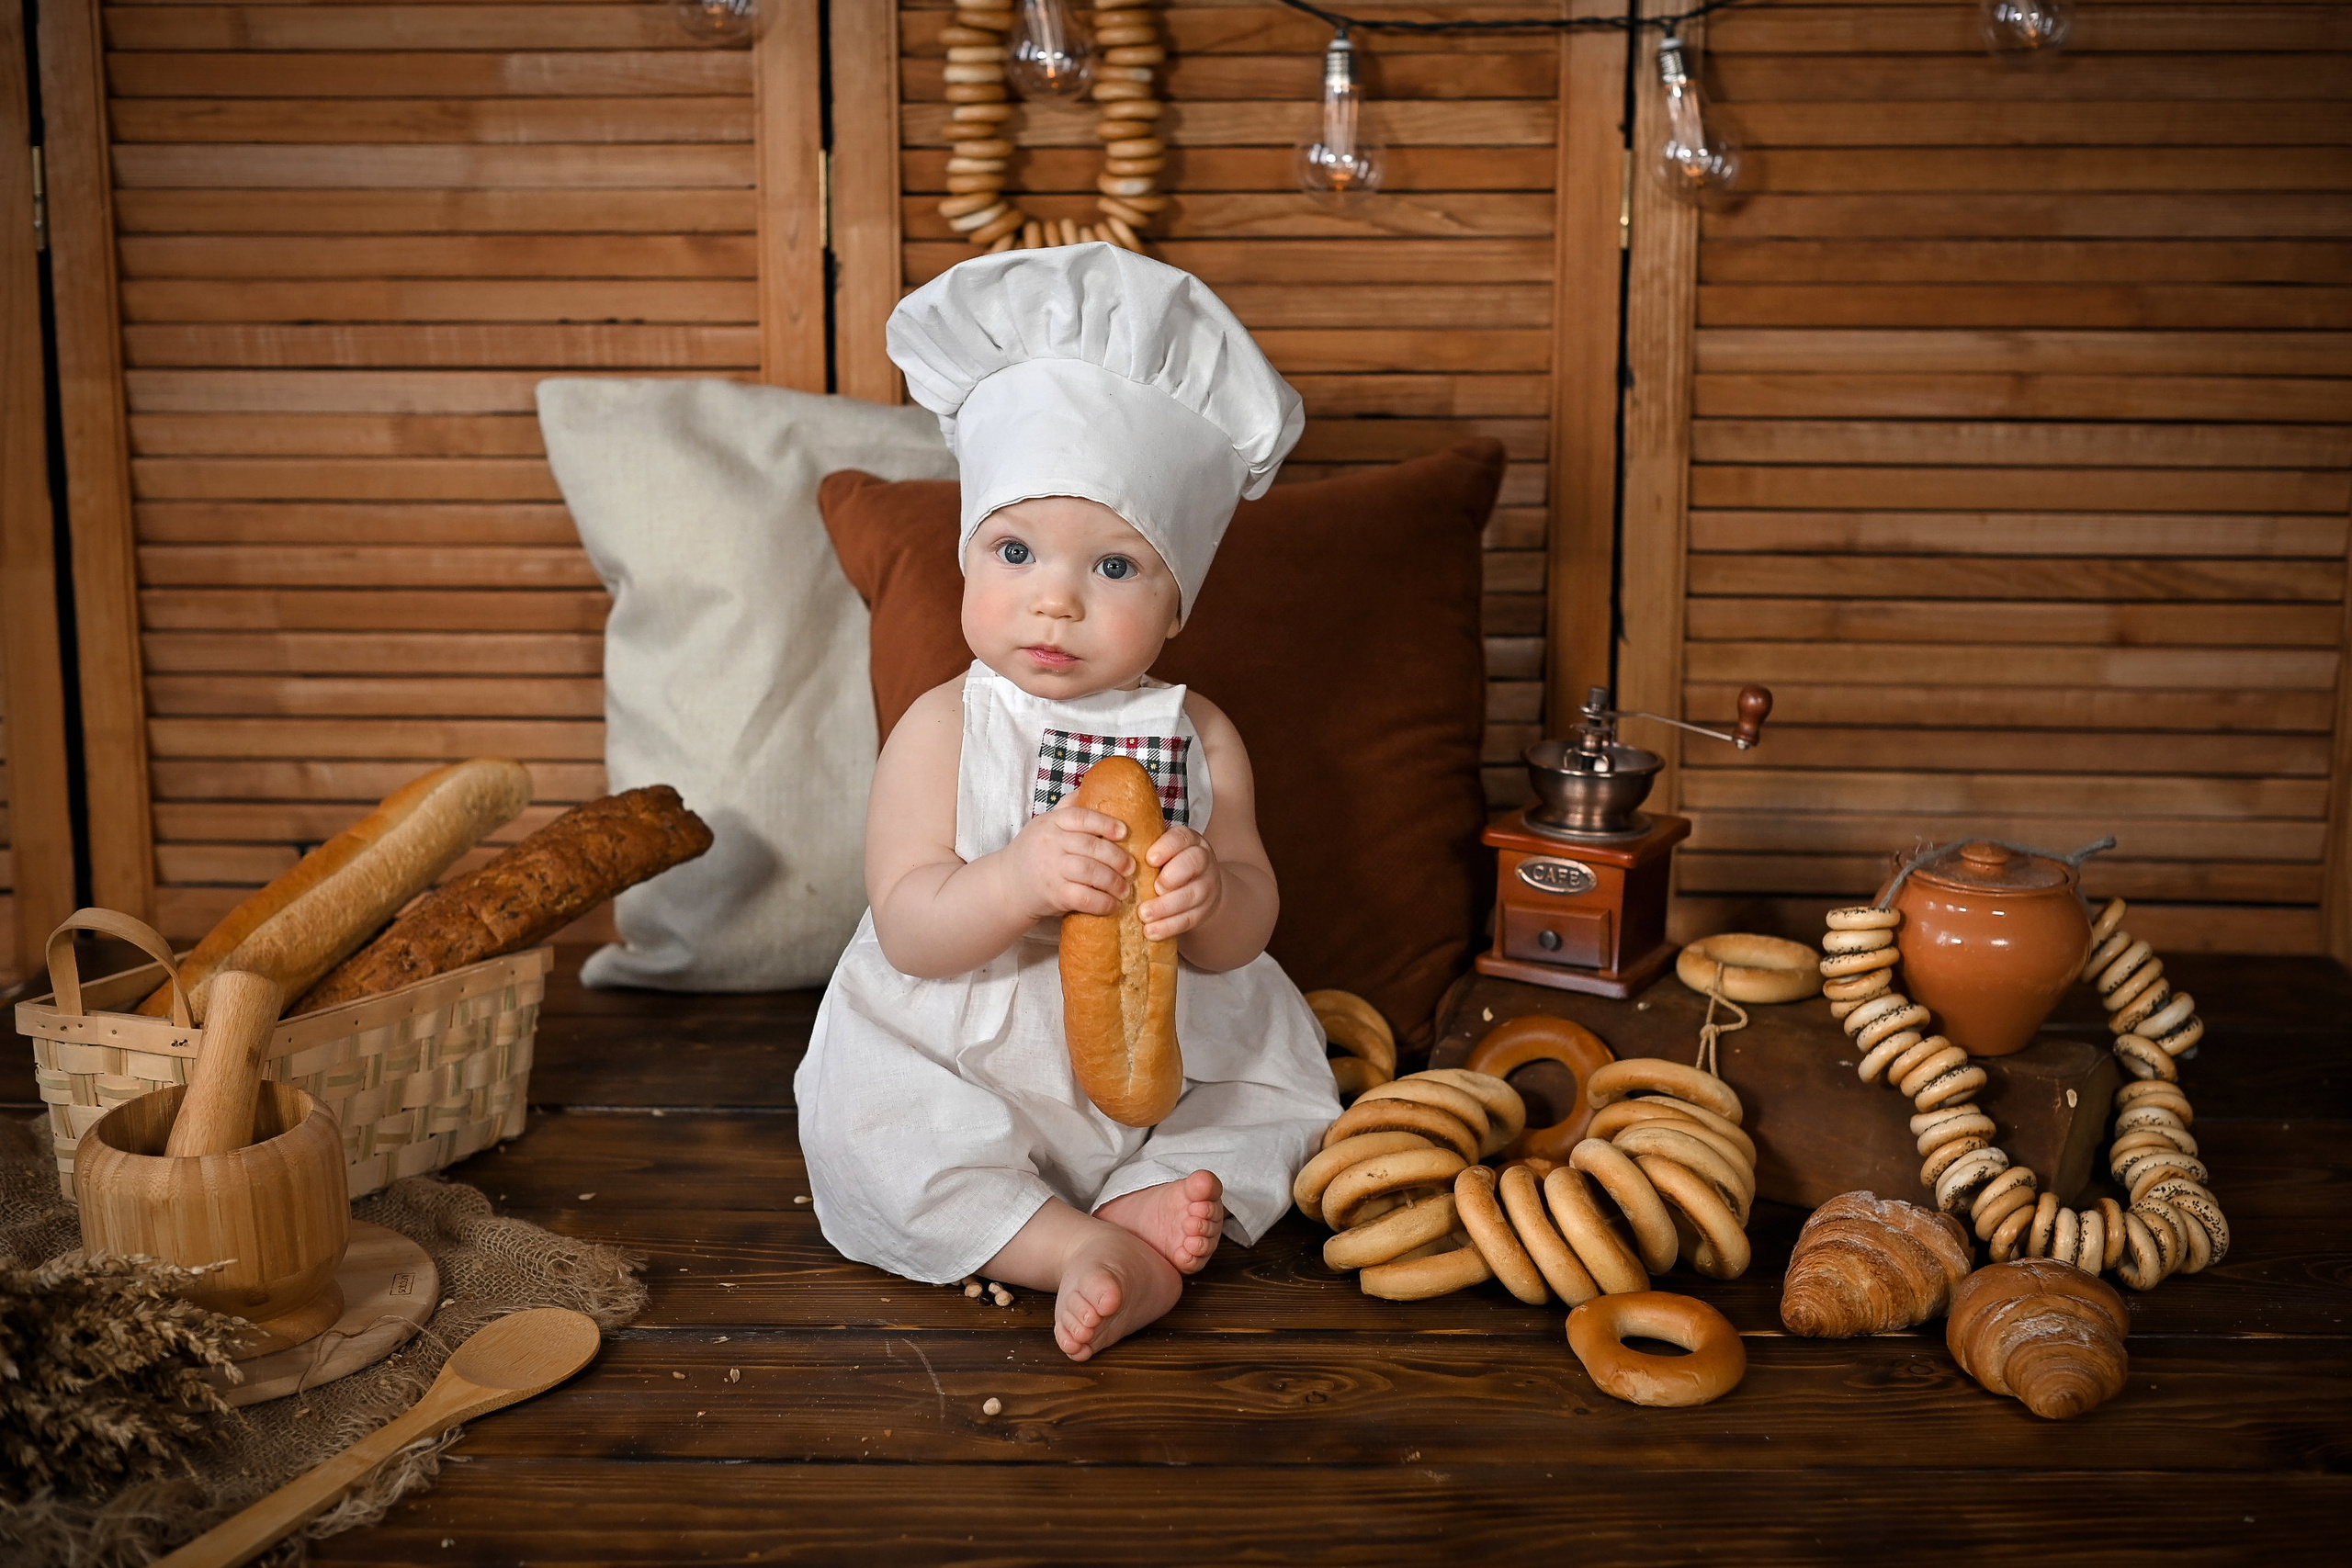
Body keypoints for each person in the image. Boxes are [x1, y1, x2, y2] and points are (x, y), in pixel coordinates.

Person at [795, 243, 1341, 1361]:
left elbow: (1247, 930)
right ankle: (1061, 1247)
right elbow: (909, 923)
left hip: (1169, 1045)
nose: (1053, 598)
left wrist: (1211, 891)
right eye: (1014, 549)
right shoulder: (947, 724)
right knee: (867, 1126)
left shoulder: (1199, 735)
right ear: (965, 565)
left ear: (1178, 602)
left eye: (1113, 568)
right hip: (966, 1047)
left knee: (1286, 1102)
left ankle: (1145, 1198)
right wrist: (1012, 880)